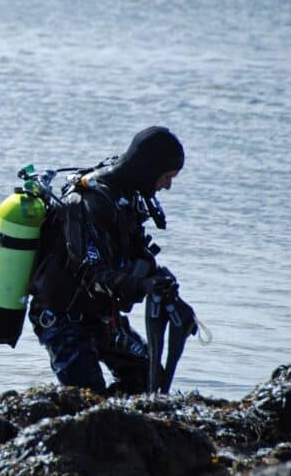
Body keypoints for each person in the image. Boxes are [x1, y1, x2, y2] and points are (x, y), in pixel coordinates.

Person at [28, 126, 184, 394]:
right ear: (149, 168)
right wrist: (141, 287)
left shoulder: (128, 197)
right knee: (89, 399)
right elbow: (91, 274)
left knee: (148, 377)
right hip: (64, 320)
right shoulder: (90, 202)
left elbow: (135, 252)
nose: (168, 185)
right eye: (167, 176)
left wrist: (157, 278)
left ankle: (128, 428)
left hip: (102, 318)